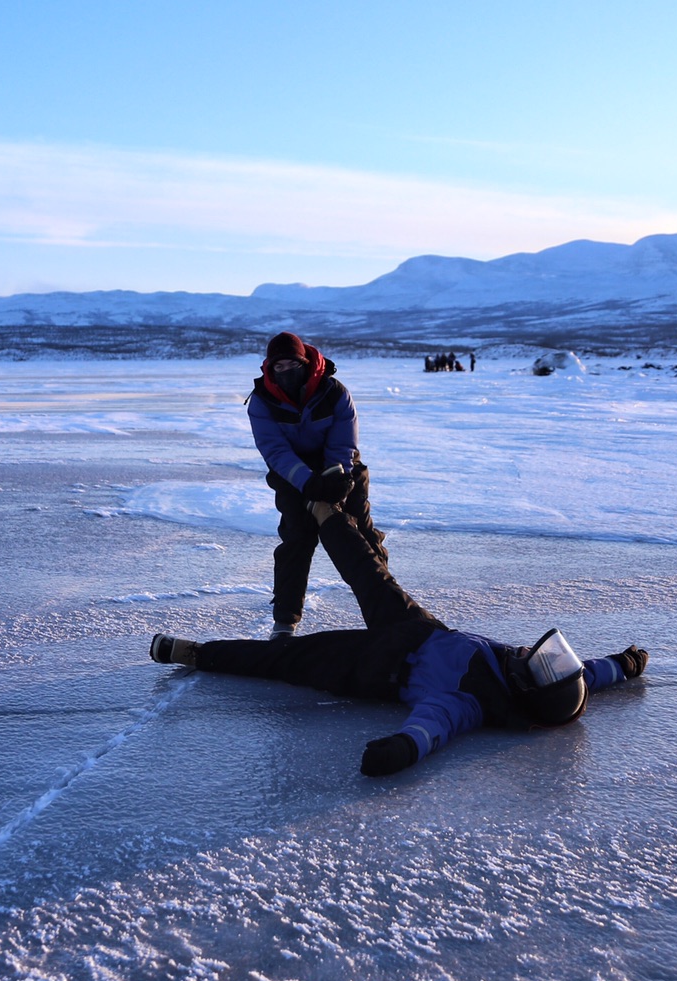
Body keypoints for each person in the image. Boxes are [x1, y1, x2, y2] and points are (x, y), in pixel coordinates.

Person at [150, 501, 647, 776]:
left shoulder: (474, 701)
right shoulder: (547, 678)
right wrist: (623, 664)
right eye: (548, 658)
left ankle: (198, 653)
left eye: (538, 664)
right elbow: (588, 678)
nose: (529, 653)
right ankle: (323, 509)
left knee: (288, 657)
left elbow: (434, 726)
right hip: (421, 628)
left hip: (377, 665)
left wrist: (401, 750)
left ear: (527, 687)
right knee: (370, 574)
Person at [247, 332, 386, 640]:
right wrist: (306, 480)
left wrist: (337, 476)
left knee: (359, 532)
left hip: (340, 465)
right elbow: (274, 451)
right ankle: (285, 621)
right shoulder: (261, 402)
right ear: (269, 368)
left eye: (292, 364)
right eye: (278, 366)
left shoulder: (333, 391)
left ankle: (388, 606)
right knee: (297, 538)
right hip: (292, 473)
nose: (285, 371)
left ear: (305, 362)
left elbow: (344, 440)